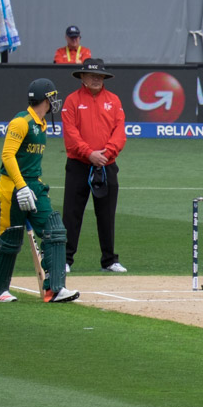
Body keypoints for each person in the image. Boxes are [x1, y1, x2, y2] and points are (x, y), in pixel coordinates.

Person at [0, 79, 79, 303]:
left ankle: (55, 289)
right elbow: (7, 156)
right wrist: (21, 186)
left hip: (35, 185)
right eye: (52, 97)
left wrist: (31, 187)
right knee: (10, 238)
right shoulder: (21, 122)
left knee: (54, 229)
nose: (54, 102)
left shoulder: (41, 123)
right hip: (12, 186)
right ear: (44, 99)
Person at [60, 59, 126, 274]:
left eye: (100, 76)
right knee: (72, 213)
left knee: (106, 214)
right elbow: (70, 134)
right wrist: (89, 153)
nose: (96, 79)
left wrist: (105, 154)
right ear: (82, 77)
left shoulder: (114, 100)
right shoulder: (72, 101)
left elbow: (119, 132)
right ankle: (65, 259)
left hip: (107, 165)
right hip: (79, 164)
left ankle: (109, 260)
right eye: (92, 75)